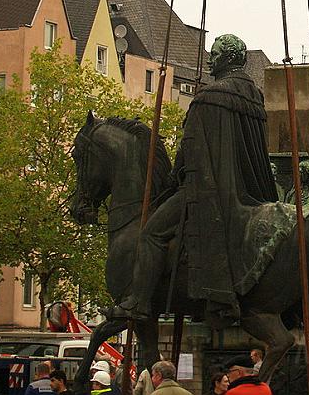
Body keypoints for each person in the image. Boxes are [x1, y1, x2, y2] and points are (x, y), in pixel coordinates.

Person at [118, 34, 279, 325]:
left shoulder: (209, 97)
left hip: (208, 191)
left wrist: (170, 180)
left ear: (228, 58)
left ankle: (138, 302)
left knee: (151, 233)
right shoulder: (255, 96)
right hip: (250, 190)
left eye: (214, 54)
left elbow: (188, 150)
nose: (209, 59)